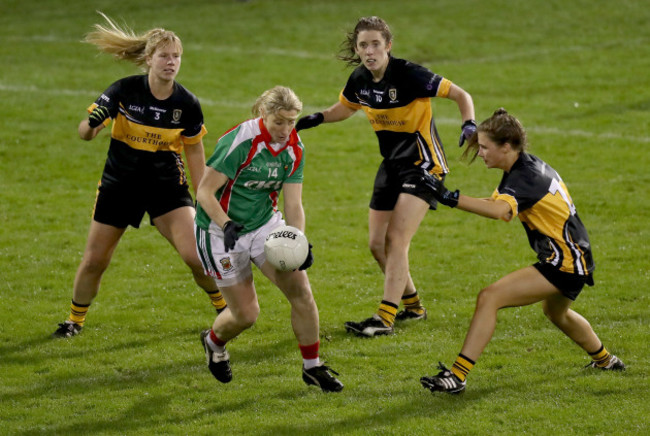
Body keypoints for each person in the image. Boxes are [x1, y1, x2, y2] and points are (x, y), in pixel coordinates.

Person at [419, 108, 626, 394]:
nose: (479, 153)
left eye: (484, 147)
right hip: (575, 257)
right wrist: (450, 197)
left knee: (489, 297)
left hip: (564, 261)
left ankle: (457, 376)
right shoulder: (522, 168)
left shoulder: (523, 177)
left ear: (506, 147)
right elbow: (502, 208)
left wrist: (449, 198)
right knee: (556, 313)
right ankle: (606, 361)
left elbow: (497, 212)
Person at [295, 16, 476, 337]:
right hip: (390, 166)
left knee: (396, 240)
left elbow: (462, 95)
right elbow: (346, 107)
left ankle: (384, 318)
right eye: (363, 45)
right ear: (356, 48)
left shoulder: (410, 75)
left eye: (376, 44)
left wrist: (468, 124)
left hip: (423, 164)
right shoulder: (360, 79)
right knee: (377, 244)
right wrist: (317, 118)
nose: (369, 50)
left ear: (388, 46)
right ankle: (414, 307)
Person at [52, 13, 226, 338]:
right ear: (148, 59)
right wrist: (94, 122)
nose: (171, 62)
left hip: (167, 192)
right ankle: (75, 320)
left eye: (176, 56)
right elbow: (84, 134)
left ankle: (225, 309)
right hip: (119, 187)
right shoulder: (123, 91)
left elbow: (195, 153)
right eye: (164, 56)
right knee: (94, 261)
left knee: (197, 258)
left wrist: (205, 198)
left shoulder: (186, 104)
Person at [195, 86, 344, 393]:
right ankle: (213, 341)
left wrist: (298, 240)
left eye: (291, 122)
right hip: (218, 231)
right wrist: (226, 225)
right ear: (263, 114)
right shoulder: (240, 141)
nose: (286, 129)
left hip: (264, 224)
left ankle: (312, 367)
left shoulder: (294, 147)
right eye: (279, 122)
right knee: (246, 315)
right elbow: (204, 193)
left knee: (301, 291)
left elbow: (293, 204)